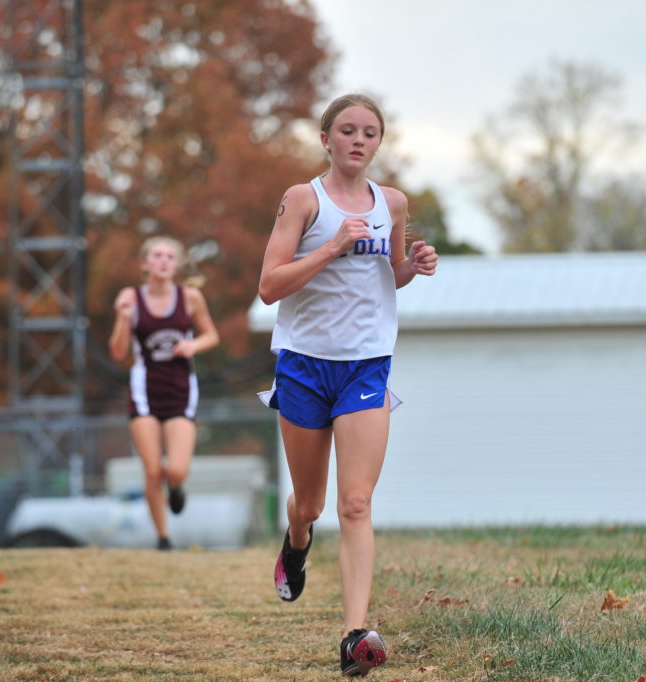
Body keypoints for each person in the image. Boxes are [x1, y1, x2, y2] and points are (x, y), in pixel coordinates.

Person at [257, 93, 438, 676]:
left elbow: (388, 274)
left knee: (355, 502)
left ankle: (355, 635)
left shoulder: (392, 202)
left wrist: (414, 265)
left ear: (378, 143)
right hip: (305, 364)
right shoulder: (302, 199)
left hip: (366, 365)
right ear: (326, 139)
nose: (359, 140)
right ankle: (297, 539)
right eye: (347, 130)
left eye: (369, 132)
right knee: (310, 502)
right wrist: (332, 247)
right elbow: (269, 285)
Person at [108, 236, 220, 550]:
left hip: (180, 391)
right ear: (145, 263)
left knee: (177, 469)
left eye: (170, 257)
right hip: (144, 393)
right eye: (157, 255)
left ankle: (177, 485)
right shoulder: (130, 297)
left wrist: (193, 345)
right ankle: (163, 537)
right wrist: (123, 318)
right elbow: (118, 352)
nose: (163, 261)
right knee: (152, 470)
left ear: (177, 264)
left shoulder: (190, 297)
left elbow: (211, 335)